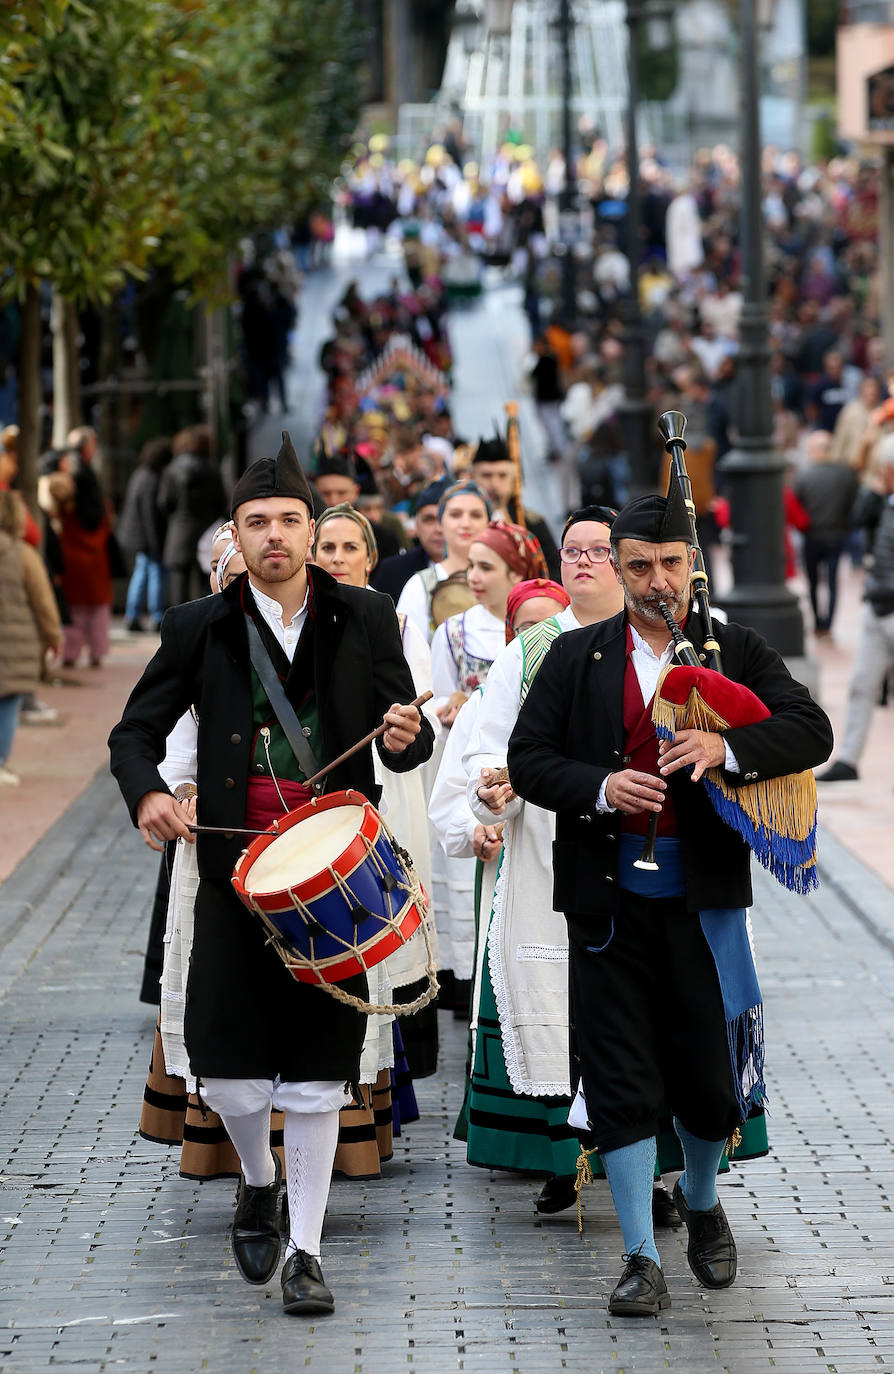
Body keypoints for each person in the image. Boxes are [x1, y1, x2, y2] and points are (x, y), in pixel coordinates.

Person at [109, 432, 433, 1317]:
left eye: (291, 519)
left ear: (310, 524)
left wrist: (410, 736)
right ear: (239, 535)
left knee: (321, 1073)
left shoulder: (364, 616)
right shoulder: (197, 627)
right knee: (236, 1071)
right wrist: (148, 798)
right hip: (234, 873)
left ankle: (306, 1248)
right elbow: (133, 736)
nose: (278, 536)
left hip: (335, 876)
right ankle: (258, 1177)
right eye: (260, 522)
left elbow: (406, 731)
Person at [507, 490, 832, 1316]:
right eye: (641, 566)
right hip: (607, 900)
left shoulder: (735, 651)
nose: (659, 581)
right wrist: (601, 787)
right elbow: (530, 758)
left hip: (702, 898)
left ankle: (700, 1197)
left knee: (707, 1079)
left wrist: (730, 745)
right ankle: (641, 1258)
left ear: (694, 567)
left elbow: (812, 730)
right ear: (617, 571)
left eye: (673, 565)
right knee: (617, 1075)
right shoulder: (577, 659)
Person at [311, 501, 440, 1167]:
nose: (334, 558)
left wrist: (404, 738)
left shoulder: (381, 616)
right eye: (324, 546)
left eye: (345, 547)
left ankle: (360, 1106)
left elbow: (410, 717)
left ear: (368, 555)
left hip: (372, 798)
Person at [428, 521, 547, 1014]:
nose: (537, 645)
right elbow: (456, 787)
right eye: (524, 633)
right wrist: (474, 826)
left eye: (551, 630)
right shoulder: (488, 696)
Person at [818, 439, 894, 782]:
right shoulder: (884, 502)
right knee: (862, 685)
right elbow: (859, 516)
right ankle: (849, 759)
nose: (881, 474)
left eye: (884, 469)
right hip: (876, 606)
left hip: (887, 602)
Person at [0, 490, 62, 784]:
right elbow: (43, 602)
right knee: (9, 702)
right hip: (16, 645)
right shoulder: (23, 554)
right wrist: (53, 636)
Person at [397, 480, 491, 642]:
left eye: (475, 515)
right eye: (455, 514)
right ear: (440, 523)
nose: (465, 523)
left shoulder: (504, 579)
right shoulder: (419, 586)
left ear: (489, 523)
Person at [793, 429, 859, 637]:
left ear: (814, 450)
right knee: (832, 580)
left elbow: (797, 505)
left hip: (812, 535)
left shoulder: (804, 475)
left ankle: (818, 623)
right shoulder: (846, 474)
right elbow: (853, 503)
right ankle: (828, 625)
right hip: (837, 534)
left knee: (813, 581)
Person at [469, 438, 560, 579]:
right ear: (472, 478)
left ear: (513, 482)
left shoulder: (532, 523)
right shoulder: (464, 523)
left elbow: (555, 572)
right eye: (486, 476)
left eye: (502, 476)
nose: (494, 484)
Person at [158, 425, 227, 606]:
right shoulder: (212, 469)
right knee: (207, 580)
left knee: (178, 583)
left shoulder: (172, 470)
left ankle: (178, 626)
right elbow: (221, 502)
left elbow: (164, 502)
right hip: (206, 532)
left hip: (179, 531)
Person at [118, 436, 172, 633]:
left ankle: (132, 615)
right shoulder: (152, 479)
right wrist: (156, 542)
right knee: (156, 573)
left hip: (135, 535)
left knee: (141, 574)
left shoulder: (140, 474)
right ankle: (157, 616)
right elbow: (150, 515)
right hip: (147, 536)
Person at [370, 479, 449, 602]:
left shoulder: (480, 571)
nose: (438, 529)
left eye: (445, 518)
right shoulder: (393, 571)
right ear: (416, 526)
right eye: (429, 519)